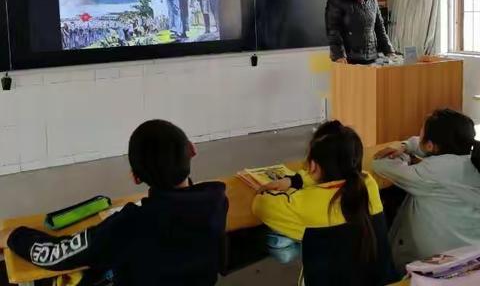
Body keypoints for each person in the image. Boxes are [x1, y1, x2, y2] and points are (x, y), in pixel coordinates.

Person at [0, 120, 228, 286]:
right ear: (192, 150)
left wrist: (13, 235)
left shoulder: (130, 223)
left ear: (135, 177)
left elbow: (57, 255)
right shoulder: (217, 201)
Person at [252, 120, 384, 264]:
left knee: (277, 239)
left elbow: (260, 203)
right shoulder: (368, 183)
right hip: (382, 280)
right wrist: (295, 181)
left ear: (313, 166)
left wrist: (294, 181)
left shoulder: (304, 204)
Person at [373, 109, 480, 272]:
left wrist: (404, 153)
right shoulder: (473, 162)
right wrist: (406, 145)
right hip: (470, 259)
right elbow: (423, 144)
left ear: (431, 145)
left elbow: (380, 163)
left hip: (435, 266)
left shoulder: (431, 172)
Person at [325, 0, 394, 64]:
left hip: (371, 58)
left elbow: (379, 28)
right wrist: (339, 55)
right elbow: (333, 31)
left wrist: (389, 51)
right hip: (348, 59)